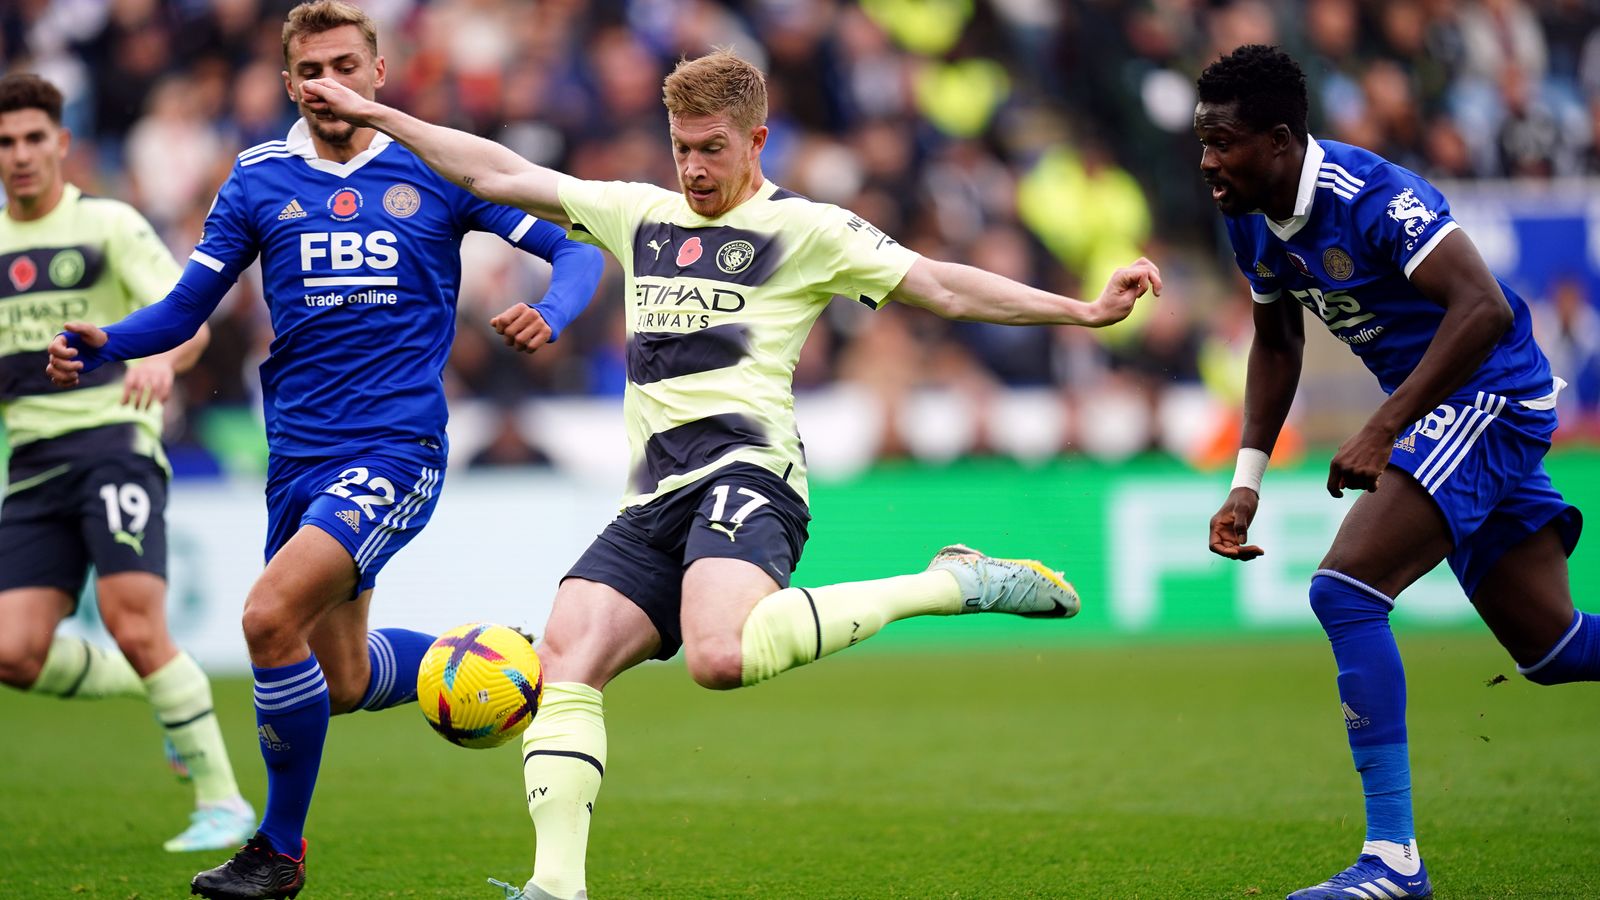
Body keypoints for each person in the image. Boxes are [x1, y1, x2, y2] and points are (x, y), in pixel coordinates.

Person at [300, 48, 1162, 900]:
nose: (693, 167)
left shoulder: (808, 229)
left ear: (758, 140)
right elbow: (497, 173)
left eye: (712, 147)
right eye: (680, 146)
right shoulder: (638, 212)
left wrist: (1082, 311)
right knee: (566, 657)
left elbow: (940, 285)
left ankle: (950, 583)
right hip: (652, 494)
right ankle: (555, 888)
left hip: (750, 470)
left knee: (718, 655)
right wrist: (378, 115)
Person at [44, 2, 604, 897]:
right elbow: (189, 308)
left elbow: (576, 245)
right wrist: (109, 342)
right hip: (295, 456)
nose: (328, 85)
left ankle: (279, 851)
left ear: (380, 73)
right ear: (287, 82)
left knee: (268, 618)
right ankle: (493, 658)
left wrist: (555, 310)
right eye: (311, 71)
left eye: (346, 64)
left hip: (396, 449)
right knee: (338, 679)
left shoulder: (438, 163)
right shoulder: (260, 178)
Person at [1197, 45, 1597, 900]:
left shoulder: (1373, 195)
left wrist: (1384, 426)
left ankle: (1392, 863)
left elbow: (1484, 309)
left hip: (1490, 395)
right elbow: (1276, 340)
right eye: (1202, 141)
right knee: (1555, 648)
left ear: (1278, 139)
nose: (1207, 162)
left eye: (1222, 142)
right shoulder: (1246, 213)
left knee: (1344, 590)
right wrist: (1247, 480)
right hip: (1438, 412)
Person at [0, 72, 255, 853]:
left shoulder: (108, 225)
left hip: (115, 442)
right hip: (32, 464)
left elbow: (190, 323)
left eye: (34, 138)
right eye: (5, 143)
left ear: (63, 143)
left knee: (133, 621)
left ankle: (224, 804)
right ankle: (169, 702)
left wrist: (160, 364)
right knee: (13, 654)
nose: (19, 155)